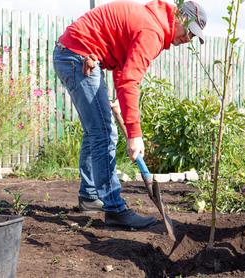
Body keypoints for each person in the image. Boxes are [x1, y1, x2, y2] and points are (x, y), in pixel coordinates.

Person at [52, 0, 207, 230]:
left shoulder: (152, 22)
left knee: (96, 130)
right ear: (180, 18)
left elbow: (123, 70)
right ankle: (115, 210)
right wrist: (135, 134)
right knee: (104, 133)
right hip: (78, 56)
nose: (188, 39)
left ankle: (89, 196)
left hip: (78, 54)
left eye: (194, 37)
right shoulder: (152, 31)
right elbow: (130, 81)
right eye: (189, 32)